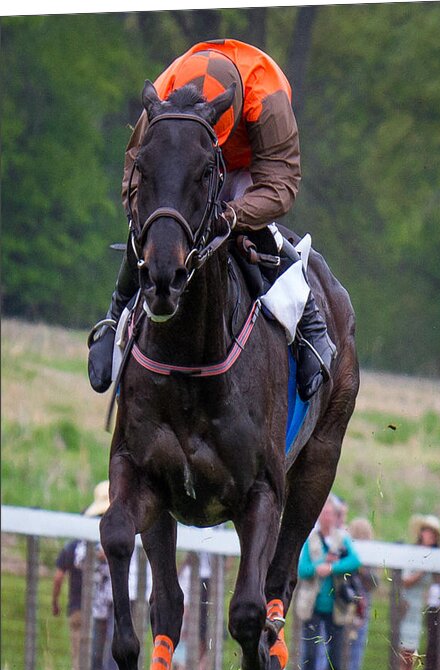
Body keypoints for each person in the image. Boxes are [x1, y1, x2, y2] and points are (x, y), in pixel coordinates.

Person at [88, 39, 335, 402]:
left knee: (259, 233)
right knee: (155, 225)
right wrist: (146, 221)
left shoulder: (267, 98)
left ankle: (311, 327)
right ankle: (113, 317)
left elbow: (281, 184)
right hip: (183, 164)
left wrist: (232, 216)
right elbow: (135, 172)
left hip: (247, 169)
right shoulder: (165, 93)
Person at [298, 496, 361, 670]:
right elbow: (302, 569)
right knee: (310, 654)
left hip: (336, 607)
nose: (327, 517)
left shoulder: (341, 539)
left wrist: (333, 568)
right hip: (313, 606)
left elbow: (354, 561)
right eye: (323, 513)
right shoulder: (311, 539)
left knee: (335, 657)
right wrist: (320, 566)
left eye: (330, 513)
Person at [52, 481, 110, 670]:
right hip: (100, 607)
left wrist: (55, 602)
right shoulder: (107, 541)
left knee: (80, 655)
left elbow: (59, 576)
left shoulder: (74, 545)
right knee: (98, 652)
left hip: (78, 607)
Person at [398, 514, 440, 670]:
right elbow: (405, 581)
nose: (429, 535)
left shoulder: (434, 557)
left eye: (432, 532)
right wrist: (422, 572)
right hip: (408, 610)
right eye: (426, 531)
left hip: (419, 612)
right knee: (404, 658)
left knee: (412, 660)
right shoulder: (413, 554)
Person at [346, 517, 377, 670]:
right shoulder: (348, 557)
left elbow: (373, 584)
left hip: (358, 615)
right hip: (352, 614)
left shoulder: (369, 563)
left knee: (351, 665)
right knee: (352, 665)